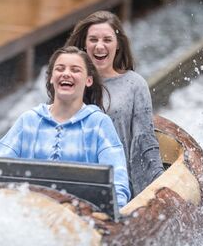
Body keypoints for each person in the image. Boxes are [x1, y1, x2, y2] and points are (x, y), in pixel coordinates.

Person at [0, 46, 131, 208]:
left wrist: (116, 215)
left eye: (75, 70)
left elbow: (117, 181)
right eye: (60, 69)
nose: (66, 73)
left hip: (82, 217)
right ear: (51, 78)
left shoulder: (99, 123)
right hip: (30, 212)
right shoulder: (29, 120)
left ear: (89, 80)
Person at [65, 11, 164, 197]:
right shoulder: (68, 82)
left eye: (107, 40)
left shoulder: (135, 84)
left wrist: (158, 189)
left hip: (119, 186)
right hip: (75, 183)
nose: (99, 46)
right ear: (84, 45)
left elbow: (146, 142)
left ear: (117, 45)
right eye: (93, 39)